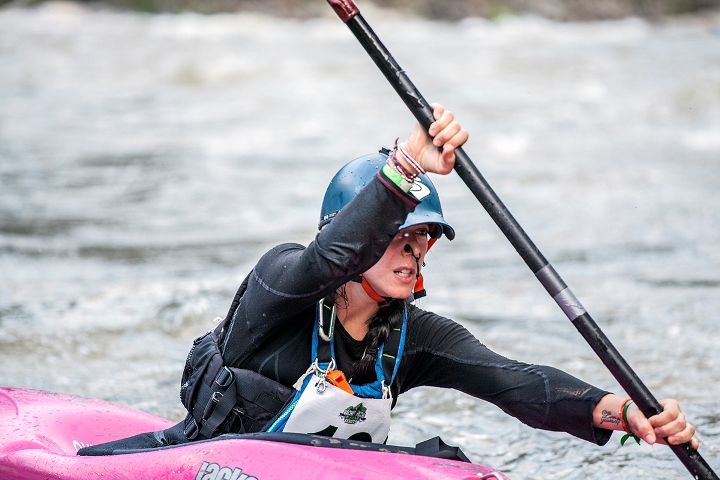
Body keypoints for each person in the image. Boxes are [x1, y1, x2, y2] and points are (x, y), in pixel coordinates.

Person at [79, 103, 698, 456]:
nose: (415, 251)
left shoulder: (411, 337)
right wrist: (406, 167)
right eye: (400, 235)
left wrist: (621, 412)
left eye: (423, 238)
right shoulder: (281, 282)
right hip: (199, 462)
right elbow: (330, 258)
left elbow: (516, 382)